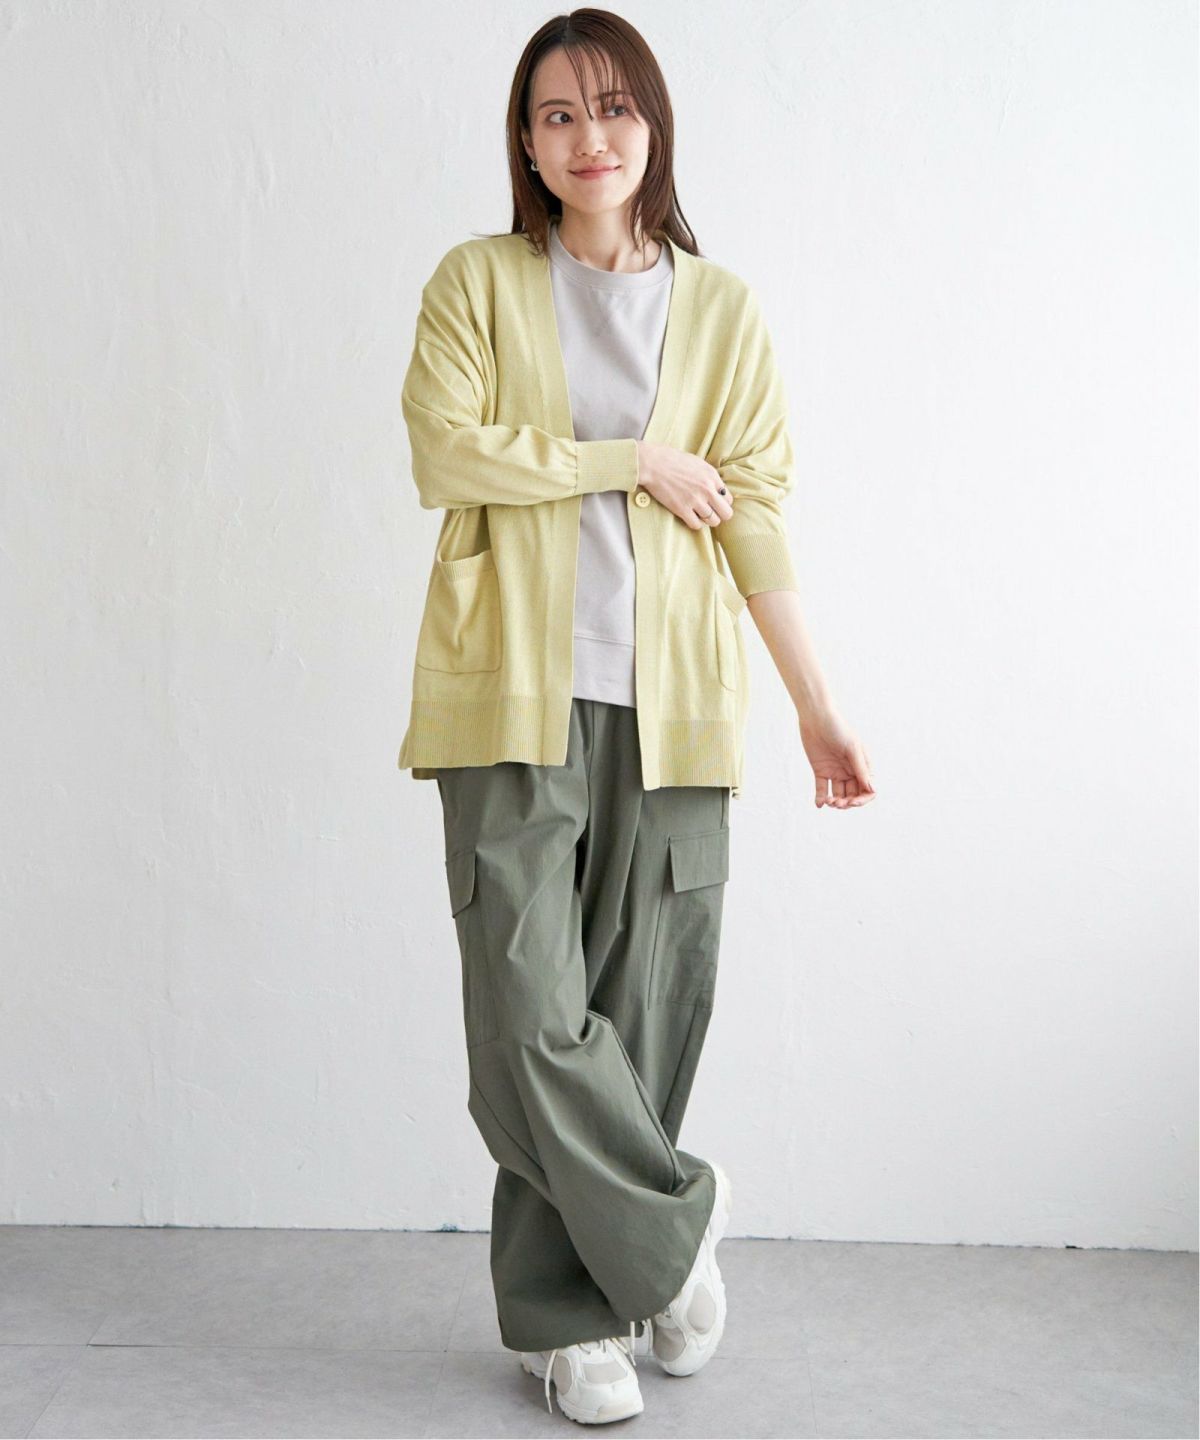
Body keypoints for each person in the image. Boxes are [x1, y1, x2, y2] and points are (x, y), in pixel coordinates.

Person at [396, 9, 875, 1424]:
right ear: (524, 140)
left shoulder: (722, 311)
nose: (587, 137)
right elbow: (446, 453)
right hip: (509, 703)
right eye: (556, 114)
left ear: (653, 125)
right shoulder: (478, 282)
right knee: (529, 1021)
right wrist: (633, 462)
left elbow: (756, 516)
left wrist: (817, 707)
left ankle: (574, 1320)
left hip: (678, 709)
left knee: (647, 1015)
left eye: (612, 108)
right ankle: (674, 1230)